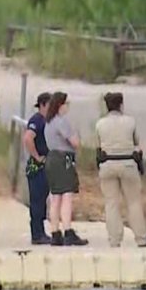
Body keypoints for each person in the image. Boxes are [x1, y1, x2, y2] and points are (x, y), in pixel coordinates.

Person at [94, 92, 146, 248]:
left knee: (111, 203)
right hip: (127, 163)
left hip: (107, 164)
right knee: (133, 202)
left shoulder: (100, 124)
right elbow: (137, 144)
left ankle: (114, 239)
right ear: (121, 105)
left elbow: (98, 146)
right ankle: (141, 238)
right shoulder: (130, 122)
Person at [43, 92, 88, 246]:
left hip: (51, 158)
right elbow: (74, 142)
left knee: (55, 197)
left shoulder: (49, 122)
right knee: (66, 195)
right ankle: (68, 230)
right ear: (60, 105)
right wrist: (77, 136)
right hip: (64, 159)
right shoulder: (61, 122)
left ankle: (55, 232)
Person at [23, 92, 52, 245]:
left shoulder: (48, 121)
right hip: (37, 167)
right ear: (42, 105)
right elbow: (28, 138)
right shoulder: (37, 120)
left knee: (42, 200)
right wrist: (36, 156)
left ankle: (41, 232)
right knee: (37, 200)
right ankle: (37, 234)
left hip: (46, 166)